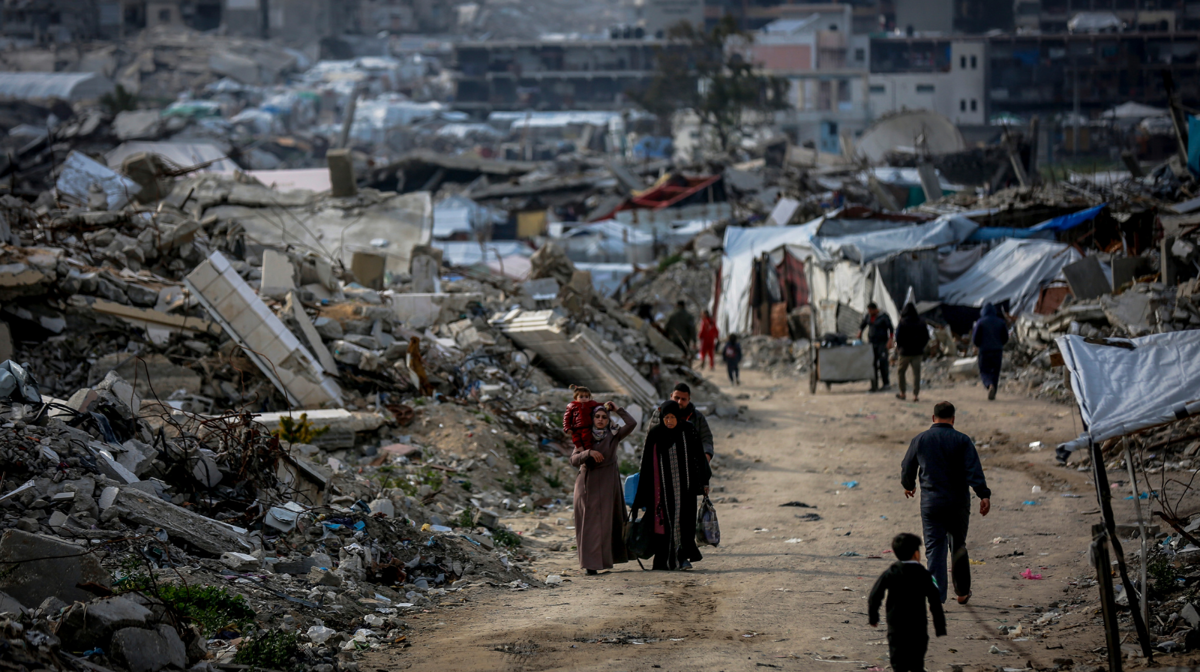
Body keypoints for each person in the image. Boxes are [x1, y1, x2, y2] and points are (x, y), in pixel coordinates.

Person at [901, 401, 991, 604]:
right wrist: (983, 494)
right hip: (958, 504)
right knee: (958, 546)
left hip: (931, 504)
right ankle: (961, 593)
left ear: (933, 418)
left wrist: (909, 484)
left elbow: (907, 466)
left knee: (934, 550)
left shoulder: (920, 439)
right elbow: (973, 471)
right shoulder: (962, 440)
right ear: (953, 419)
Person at [632, 400, 712, 570]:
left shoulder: (688, 430)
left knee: (685, 523)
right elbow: (646, 464)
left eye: (672, 417)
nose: (669, 421)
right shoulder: (655, 433)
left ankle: (682, 557)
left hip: (686, 490)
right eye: (666, 417)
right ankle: (665, 560)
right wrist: (643, 493)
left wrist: (704, 481)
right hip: (662, 492)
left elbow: (699, 457)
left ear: (678, 417)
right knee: (664, 525)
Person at [569, 401, 637, 575]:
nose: (600, 420)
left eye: (604, 417)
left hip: (607, 483)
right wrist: (588, 453)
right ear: (591, 419)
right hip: (587, 484)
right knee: (589, 525)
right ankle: (590, 565)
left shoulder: (613, 434)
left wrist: (618, 409)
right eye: (597, 417)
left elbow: (632, 423)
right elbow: (574, 460)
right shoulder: (584, 436)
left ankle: (604, 560)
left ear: (608, 419)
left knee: (605, 524)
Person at [868, 533, 947, 672]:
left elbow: (875, 595)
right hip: (918, 625)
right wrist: (939, 626)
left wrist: (873, 617)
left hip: (896, 625)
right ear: (916, 554)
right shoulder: (924, 574)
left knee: (898, 661)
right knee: (917, 661)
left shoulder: (891, 572)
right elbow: (935, 600)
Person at [646, 383, 714, 461]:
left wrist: (706, 457)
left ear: (689, 399)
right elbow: (651, 440)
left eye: (683, 399)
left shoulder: (697, 417)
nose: (679, 402)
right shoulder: (659, 414)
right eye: (676, 398)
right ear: (671, 396)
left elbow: (706, 438)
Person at [971, 303, 1009, 401]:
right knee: (995, 371)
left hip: (984, 351)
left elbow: (975, 338)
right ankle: (994, 389)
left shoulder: (980, 322)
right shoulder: (1001, 322)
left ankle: (989, 385)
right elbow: (1005, 337)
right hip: (997, 351)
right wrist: (1000, 344)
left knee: (984, 370)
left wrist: (979, 345)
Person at [894, 303, 930, 402]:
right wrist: (921, 346)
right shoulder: (921, 322)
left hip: (904, 352)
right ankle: (915, 395)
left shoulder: (902, 322)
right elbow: (926, 337)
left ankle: (903, 393)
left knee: (901, 372)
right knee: (916, 374)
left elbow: (897, 337)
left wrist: (900, 347)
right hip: (917, 352)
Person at [857, 302, 894, 392]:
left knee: (882, 362)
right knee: (872, 364)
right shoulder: (869, 316)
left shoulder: (883, 316)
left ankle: (886, 384)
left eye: (870, 310)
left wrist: (890, 340)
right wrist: (860, 332)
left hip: (882, 342)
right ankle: (874, 385)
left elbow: (891, 328)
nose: (869, 312)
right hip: (872, 342)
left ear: (875, 310)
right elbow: (863, 325)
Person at [563, 385, 601, 456]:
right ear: (575, 398)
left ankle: (588, 454)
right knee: (577, 441)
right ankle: (582, 454)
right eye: (581, 397)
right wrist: (567, 428)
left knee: (587, 441)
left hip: (587, 428)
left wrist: (608, 405)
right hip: (575, 429)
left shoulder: (591, 404)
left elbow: (600, 406)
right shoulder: (572, 406)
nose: (584, 399)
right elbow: (566, 418)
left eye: (586, 397)